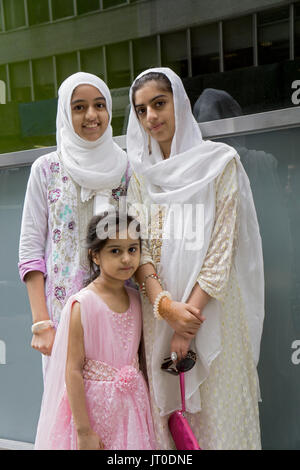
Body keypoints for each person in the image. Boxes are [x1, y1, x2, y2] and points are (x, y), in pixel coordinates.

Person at [126, 67, 265, 450]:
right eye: (141, 110)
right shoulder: (140, 175)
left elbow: (223, 248)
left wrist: (188, 323)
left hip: (212, 311)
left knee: (220, 421)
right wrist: (165, 307)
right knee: (174, 425)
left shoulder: (221, 163)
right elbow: (139, 250)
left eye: (159, 104)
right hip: (162, 316)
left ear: (179, 105)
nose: (151, 117)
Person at [18, 72, 128, 369]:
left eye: (99, 105)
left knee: (115, 402)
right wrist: (41, 322)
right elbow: (30, 250)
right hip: (62, 315)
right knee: (68, 409)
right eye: (79, 107)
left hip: (119, 310)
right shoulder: (47, 169)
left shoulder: (127, 168)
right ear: (66, 113)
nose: (91, 115)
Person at [34, 211, 156, 450]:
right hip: (93, 409)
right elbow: (73, 371)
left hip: (130, 410)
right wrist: (84, 431)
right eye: (115, 251)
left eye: (132, 249)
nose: (126, 259)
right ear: (95, 256)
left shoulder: (136, 300)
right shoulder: (83, 305)